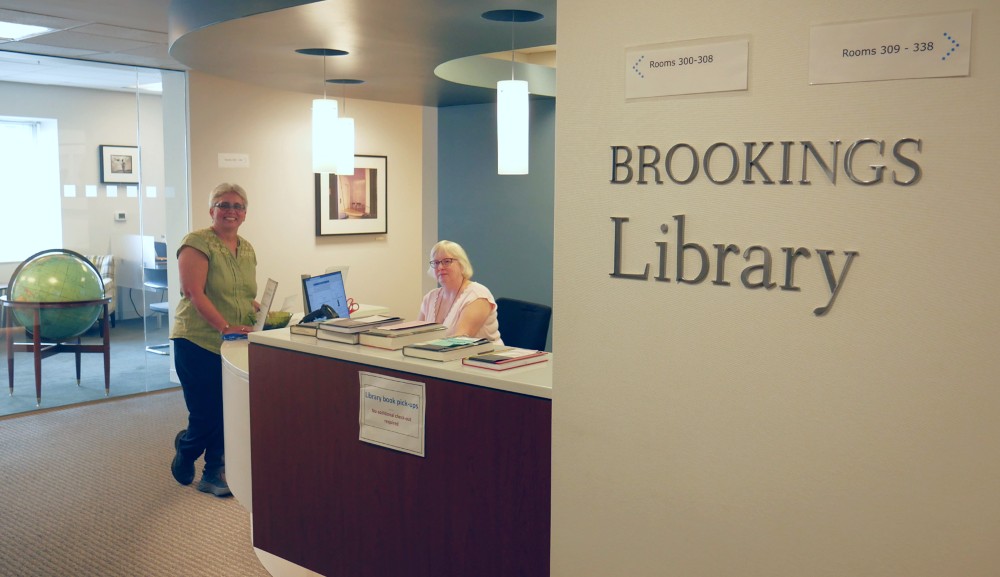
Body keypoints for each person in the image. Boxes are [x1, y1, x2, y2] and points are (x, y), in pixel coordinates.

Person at [169, 183, 258, 497]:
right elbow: (194, 293)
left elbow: (241, 294)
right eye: (223, 205)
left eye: (237, 206)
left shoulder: (246, 248)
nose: (231, 211)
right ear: (212, 210)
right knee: (206, 413)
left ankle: (213, 472)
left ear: (244, 214)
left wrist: (260, 310)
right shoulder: (196, 243)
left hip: (233, 344)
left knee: (228, 410)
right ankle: (187, 449)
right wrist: (225, 326)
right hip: (197, 340)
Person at [417, 240, 503, 344]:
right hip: (439, 353)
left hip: (482, 354)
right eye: (436, 263)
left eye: (447, 261)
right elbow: (417, 335)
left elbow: (460, 340)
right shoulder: (430, 297)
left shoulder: (477, 295)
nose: (440, 267)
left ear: (462, 264)